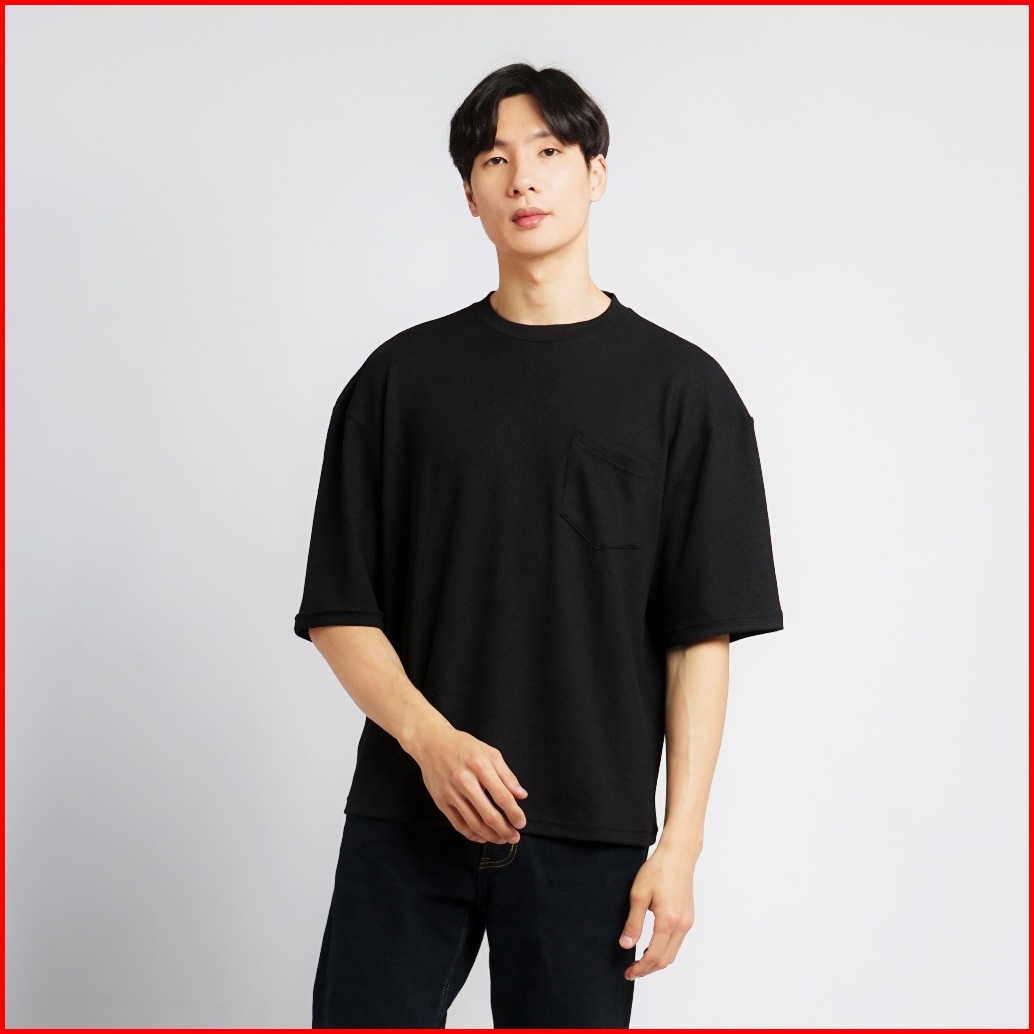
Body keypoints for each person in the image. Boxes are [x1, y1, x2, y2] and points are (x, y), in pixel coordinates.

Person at [294, 62, 784, 1029]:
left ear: (595, 173)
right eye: (494, 159)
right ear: (469, 194)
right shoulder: (398, 382)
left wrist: (680, 845)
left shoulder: (685, 393)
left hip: (591, 828)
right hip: (409, 811)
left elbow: (700, 637)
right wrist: (431, 742)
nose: (523, 178)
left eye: (549, 151)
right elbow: (341, 609)